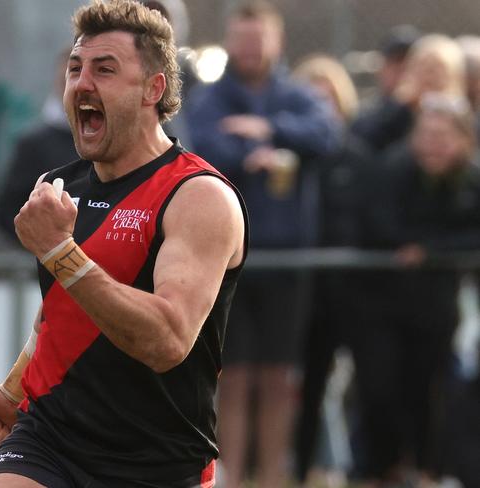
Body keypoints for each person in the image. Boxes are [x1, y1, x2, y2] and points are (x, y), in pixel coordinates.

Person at [0, 1, 248, 487]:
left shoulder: (199, 196)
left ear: (153, 89)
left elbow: (168, 339)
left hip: (159, 460)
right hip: (50, 439)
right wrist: (12, 393)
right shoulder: (57, 185)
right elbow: (58, 311)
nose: (82, 84)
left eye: (105, 69)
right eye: (75, 69)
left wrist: (61, 254)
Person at [186, 2, 340, 487]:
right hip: (232, 260)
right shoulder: (212, 97)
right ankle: (227, 478)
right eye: (242, 39)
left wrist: (269, 131)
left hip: (289, 260)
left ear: (277, 42)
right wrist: (256, 152)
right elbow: (203, 147)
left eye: (259, 39)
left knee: (278, 378)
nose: (250, 49)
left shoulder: (297, 96)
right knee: (234, 378)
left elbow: (327, 133)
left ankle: (273, 476)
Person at [351, 93, 480, 487]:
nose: (435, 145)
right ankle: (381, 470)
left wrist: (429, 250)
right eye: (428, 135)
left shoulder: (471, 180)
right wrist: (415, 246)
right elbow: (376, 224)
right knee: (380, 389)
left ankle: (426, 470)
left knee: (431, 391)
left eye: (445, 136)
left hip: (436, 308)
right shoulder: (391, 170)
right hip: (381, 305)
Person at [291, 54, 373, 486]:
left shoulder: (360, 158)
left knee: (370, 386)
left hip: (356, 291)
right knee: (309, 389)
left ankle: (369, 470)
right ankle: (303, 472)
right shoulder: (294, 160)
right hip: (308, 294)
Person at [0, 49, 78, 245]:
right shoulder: (35, 143)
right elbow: (6, 211)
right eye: (71, 77)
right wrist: (46, 247)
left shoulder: (123, 145)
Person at [352, 33, 466, 153]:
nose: (430, 77)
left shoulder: (465, 115)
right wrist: (399, 106)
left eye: (439, 71)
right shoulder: (393, 112)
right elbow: (362, 141)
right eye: (424, 69)